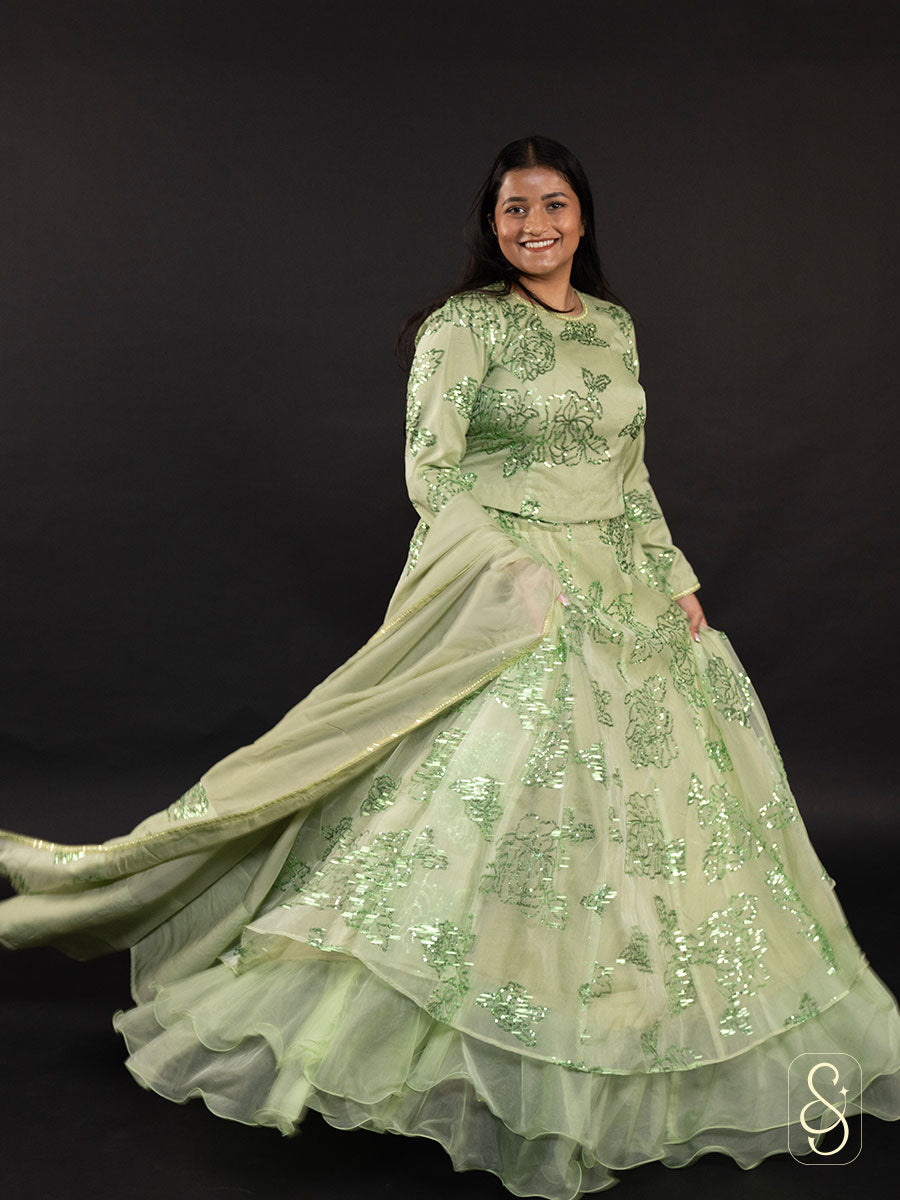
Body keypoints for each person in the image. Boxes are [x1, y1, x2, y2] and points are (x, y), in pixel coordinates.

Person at [1, 134, 898, 1200]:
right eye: (514, 210)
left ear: (582, 218)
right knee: (508, 789)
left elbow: (632, 470)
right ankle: (450, 1028)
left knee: (651, 808)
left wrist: (673, 577)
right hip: (511, 578)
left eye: (554, 207)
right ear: (493, 223)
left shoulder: (614, 328)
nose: (535, 227)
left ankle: (619, 1012)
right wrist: (514, 572)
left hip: (622, 579)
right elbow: (433, 468)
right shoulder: (464, 327)